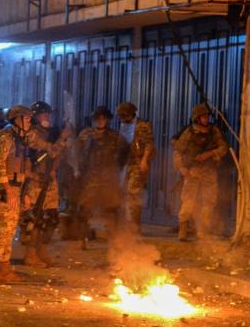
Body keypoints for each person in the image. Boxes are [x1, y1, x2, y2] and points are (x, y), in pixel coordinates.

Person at [0, 105, 32, 284]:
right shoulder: (5, 138)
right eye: (26, 118)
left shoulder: (20, 139)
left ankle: (4, 266)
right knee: (3, 230)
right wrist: (9, 191)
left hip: (15, 188)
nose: (29, 122)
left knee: (10, 229)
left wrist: (23, 194)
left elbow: (23, 168)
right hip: (4, 188)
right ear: (17, 119)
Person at [23, 101, 71, 267]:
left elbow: (60, 155)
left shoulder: (51, 133)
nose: (47, 117)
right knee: (35, 218)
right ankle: (30, 254)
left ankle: (42, 251)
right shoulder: (32, 133)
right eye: (43, 114)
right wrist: (62, 139)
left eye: (48, 114)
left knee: (51, 218)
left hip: (50, 179)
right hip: (36, 180)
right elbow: (51, 150)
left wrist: (63, 140)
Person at [173, 103, 228, 241]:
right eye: (203, 117)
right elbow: (178, 151)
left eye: (207, 116)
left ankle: (203, 230)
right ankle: (183, 229)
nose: (206, 119)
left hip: (209, 170)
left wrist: (210, 154)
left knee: (209, 201)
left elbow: (224, 148)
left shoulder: (214, 131)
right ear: (197, 118)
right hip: (193, 171)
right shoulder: (189, 132)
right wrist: (182, 168)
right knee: (188, 200)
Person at [73, 106, 129, 243]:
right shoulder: (85, 135)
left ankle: (114, 235)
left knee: (111, 207)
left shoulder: (115, 137)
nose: (101, 121)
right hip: (90, 175)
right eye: (98, 118)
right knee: (85, 206)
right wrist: (77, 169)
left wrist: (117, 169)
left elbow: (125, 153)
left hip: (108, 176)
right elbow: (76, 152)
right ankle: (83, 235)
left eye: (104, 118)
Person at [116, 102, 155, 234]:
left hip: (137, 163)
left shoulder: (142, 125)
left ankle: (135, 225)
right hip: (125, 162)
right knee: (121, 192)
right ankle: (124, 223)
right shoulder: (123, 126)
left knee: (134, 192)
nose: (122, 118)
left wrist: (144, 160)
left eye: (124, 115)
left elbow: (149, 144)